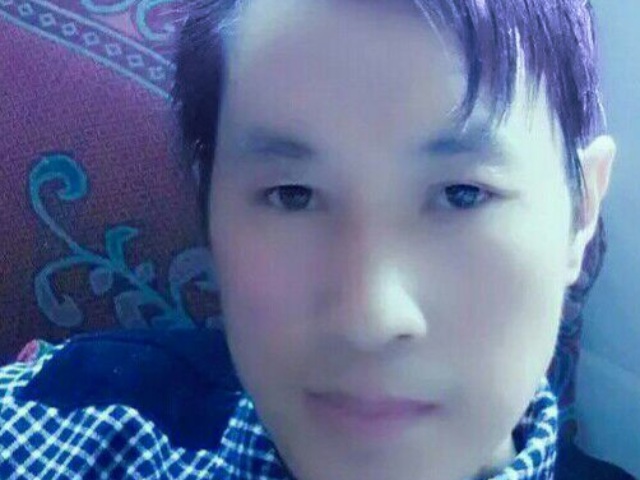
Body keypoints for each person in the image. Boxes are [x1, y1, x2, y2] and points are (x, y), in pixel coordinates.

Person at [0, 0, 632, 479]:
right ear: (208, 203)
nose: (369, 319)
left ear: (581, 212)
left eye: (462, 194)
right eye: (293, 195)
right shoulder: (70, 432)